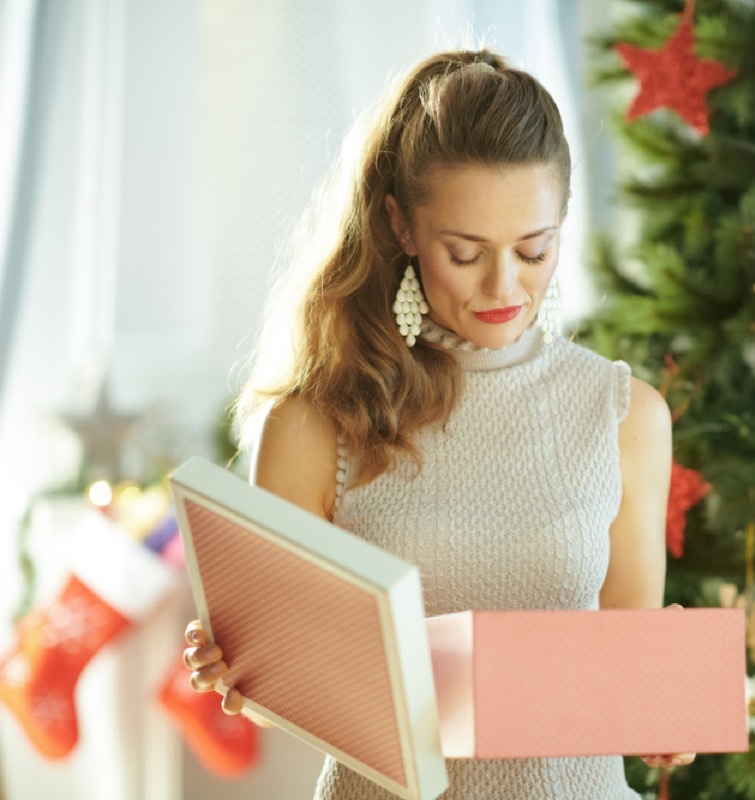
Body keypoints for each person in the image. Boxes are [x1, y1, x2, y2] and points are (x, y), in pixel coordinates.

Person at [180, 49, 691, 799]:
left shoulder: (625, 416)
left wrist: (665, 710)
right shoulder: (317, 425)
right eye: (465, 252)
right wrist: (243, 671)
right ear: (401, 225)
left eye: (534, 249)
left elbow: (625, 669)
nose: (504, 285)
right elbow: (282, 684)